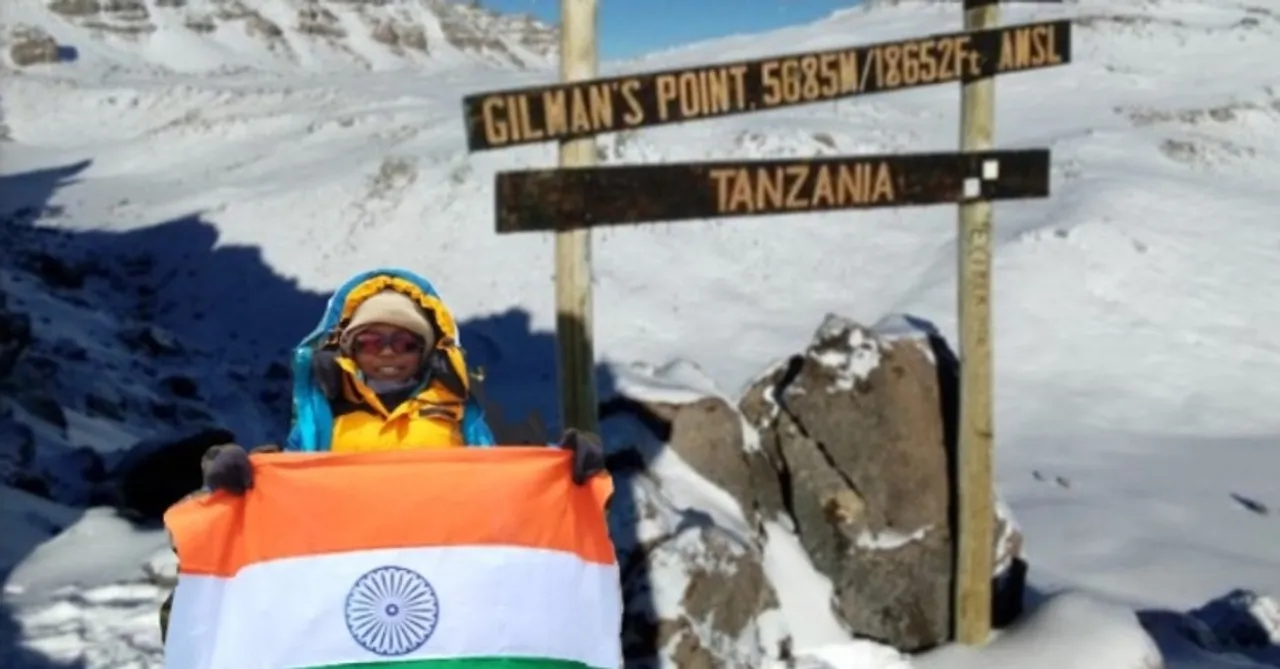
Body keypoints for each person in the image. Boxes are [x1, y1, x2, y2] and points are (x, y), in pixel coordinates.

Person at [158, 268, 605, 641]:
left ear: (428, 350)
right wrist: (233, 485)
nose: (388, 352)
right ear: (348, 347)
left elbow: (510, 493)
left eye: (405, 341)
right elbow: (271, 506)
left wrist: (565, 470)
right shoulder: (323, 424)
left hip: (446, 597)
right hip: (345, 603)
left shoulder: (460, 421)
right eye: (372, 341)